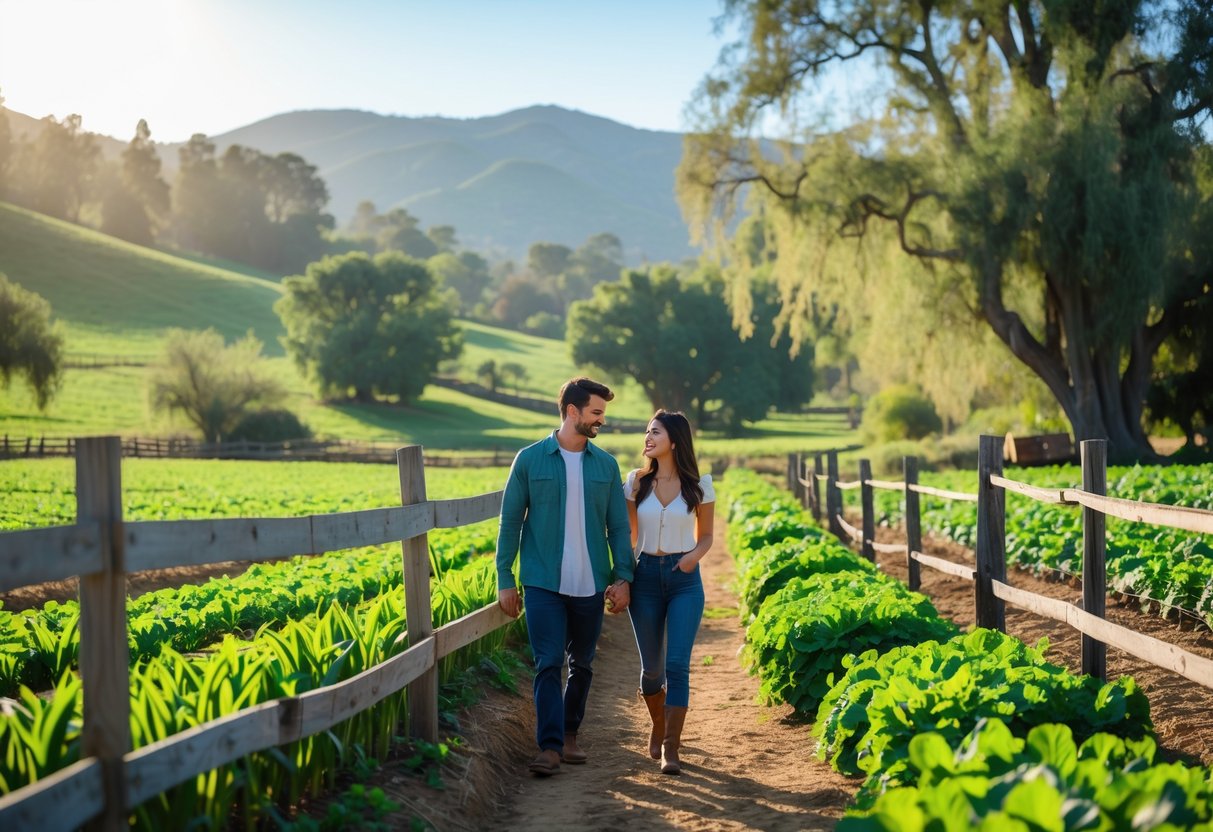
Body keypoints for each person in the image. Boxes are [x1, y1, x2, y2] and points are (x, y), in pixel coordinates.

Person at [495, 376, 635, 777]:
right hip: (542, 581)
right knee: (548, 661)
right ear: (572, 412)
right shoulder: (529, 460)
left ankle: (571, 733)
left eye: (602, 414)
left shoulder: (606, 465)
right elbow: (510, 523)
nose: (601, 420)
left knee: (583, 663)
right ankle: (550, 747)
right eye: (596, 412)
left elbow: (618, 528)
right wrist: (505, 577)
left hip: (591, 582)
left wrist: (623, 577)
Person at [615, 409, 713, 775]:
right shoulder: (635, 483)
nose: (647, 438)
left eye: (655, 432)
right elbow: (627, 537)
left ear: (674, 439)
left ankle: (672, 749)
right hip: (645, 580)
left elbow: (707, 537)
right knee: (652, 670)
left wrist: (690, 559)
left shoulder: (699, 485)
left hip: (684, 579)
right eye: (646, 432)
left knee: (677, 665)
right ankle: (658, 725)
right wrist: (623, 577)